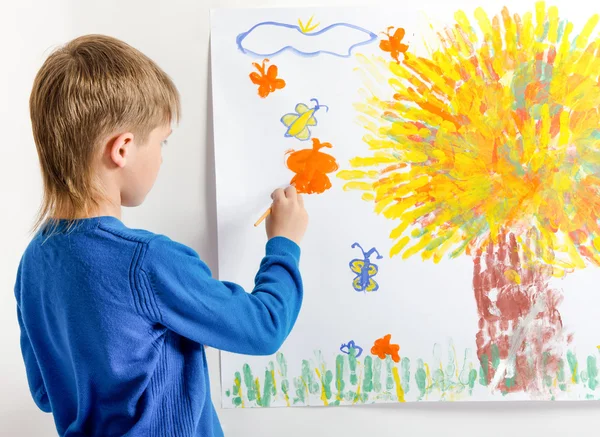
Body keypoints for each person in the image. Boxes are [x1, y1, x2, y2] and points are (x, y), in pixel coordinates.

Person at [15, 34, 308, 436]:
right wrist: (284, 244)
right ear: (122, 149)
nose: (163, 155)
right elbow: (263, 328)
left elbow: (45, 392)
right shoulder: (149, 262)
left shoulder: (35, 260)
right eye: (162, 140)